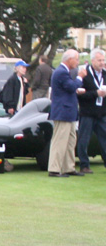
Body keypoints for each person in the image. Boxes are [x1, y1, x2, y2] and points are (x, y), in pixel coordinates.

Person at [47, 49, 85, 177]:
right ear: (70, 59)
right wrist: (80, 77)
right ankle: (54, 169)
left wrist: (76, 89)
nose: (78, 62)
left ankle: (69, 167)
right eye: (77, 59)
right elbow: (70, 86)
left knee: (70, 141)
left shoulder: (63, 72)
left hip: (68, 112)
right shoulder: (61, 72)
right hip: (63, 112)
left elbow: (68, 89)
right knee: (60, 141)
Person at [76, 48, 106, 175]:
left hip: (102, 113)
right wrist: (96, 93)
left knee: (104, 138)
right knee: (84, 139)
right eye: (99, 60)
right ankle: (84, 165)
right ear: (92, 60)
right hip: (87, 112)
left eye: (103, 60)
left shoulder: (105, 74)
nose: (102, 62)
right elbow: (79, 94)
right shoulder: (85, 74)